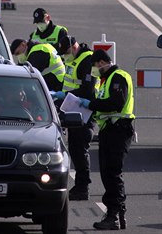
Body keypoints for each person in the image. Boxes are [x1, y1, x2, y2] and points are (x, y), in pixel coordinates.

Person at [79, 49, 135, 230]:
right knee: (108, 173)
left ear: (102, 62)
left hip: (118, 130)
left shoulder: (118, 77)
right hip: (109, 130)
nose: (94, 70)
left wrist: (91, 104)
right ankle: (118, 213)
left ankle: (114, 215)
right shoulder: (105, 80)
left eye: (95, 66)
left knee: (112, 173)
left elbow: (116, 103)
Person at [51, 35, 98, 201]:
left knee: (80, 151)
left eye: (66, 52)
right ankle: (79, 186)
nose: (65, 56)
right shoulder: (74, 60)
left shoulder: (87, 61)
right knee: (75, 150)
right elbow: (70, 83)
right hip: (73, 111)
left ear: (73, 46)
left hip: (84, 113)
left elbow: (88, 91)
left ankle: (82, 187)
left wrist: (64, 95)